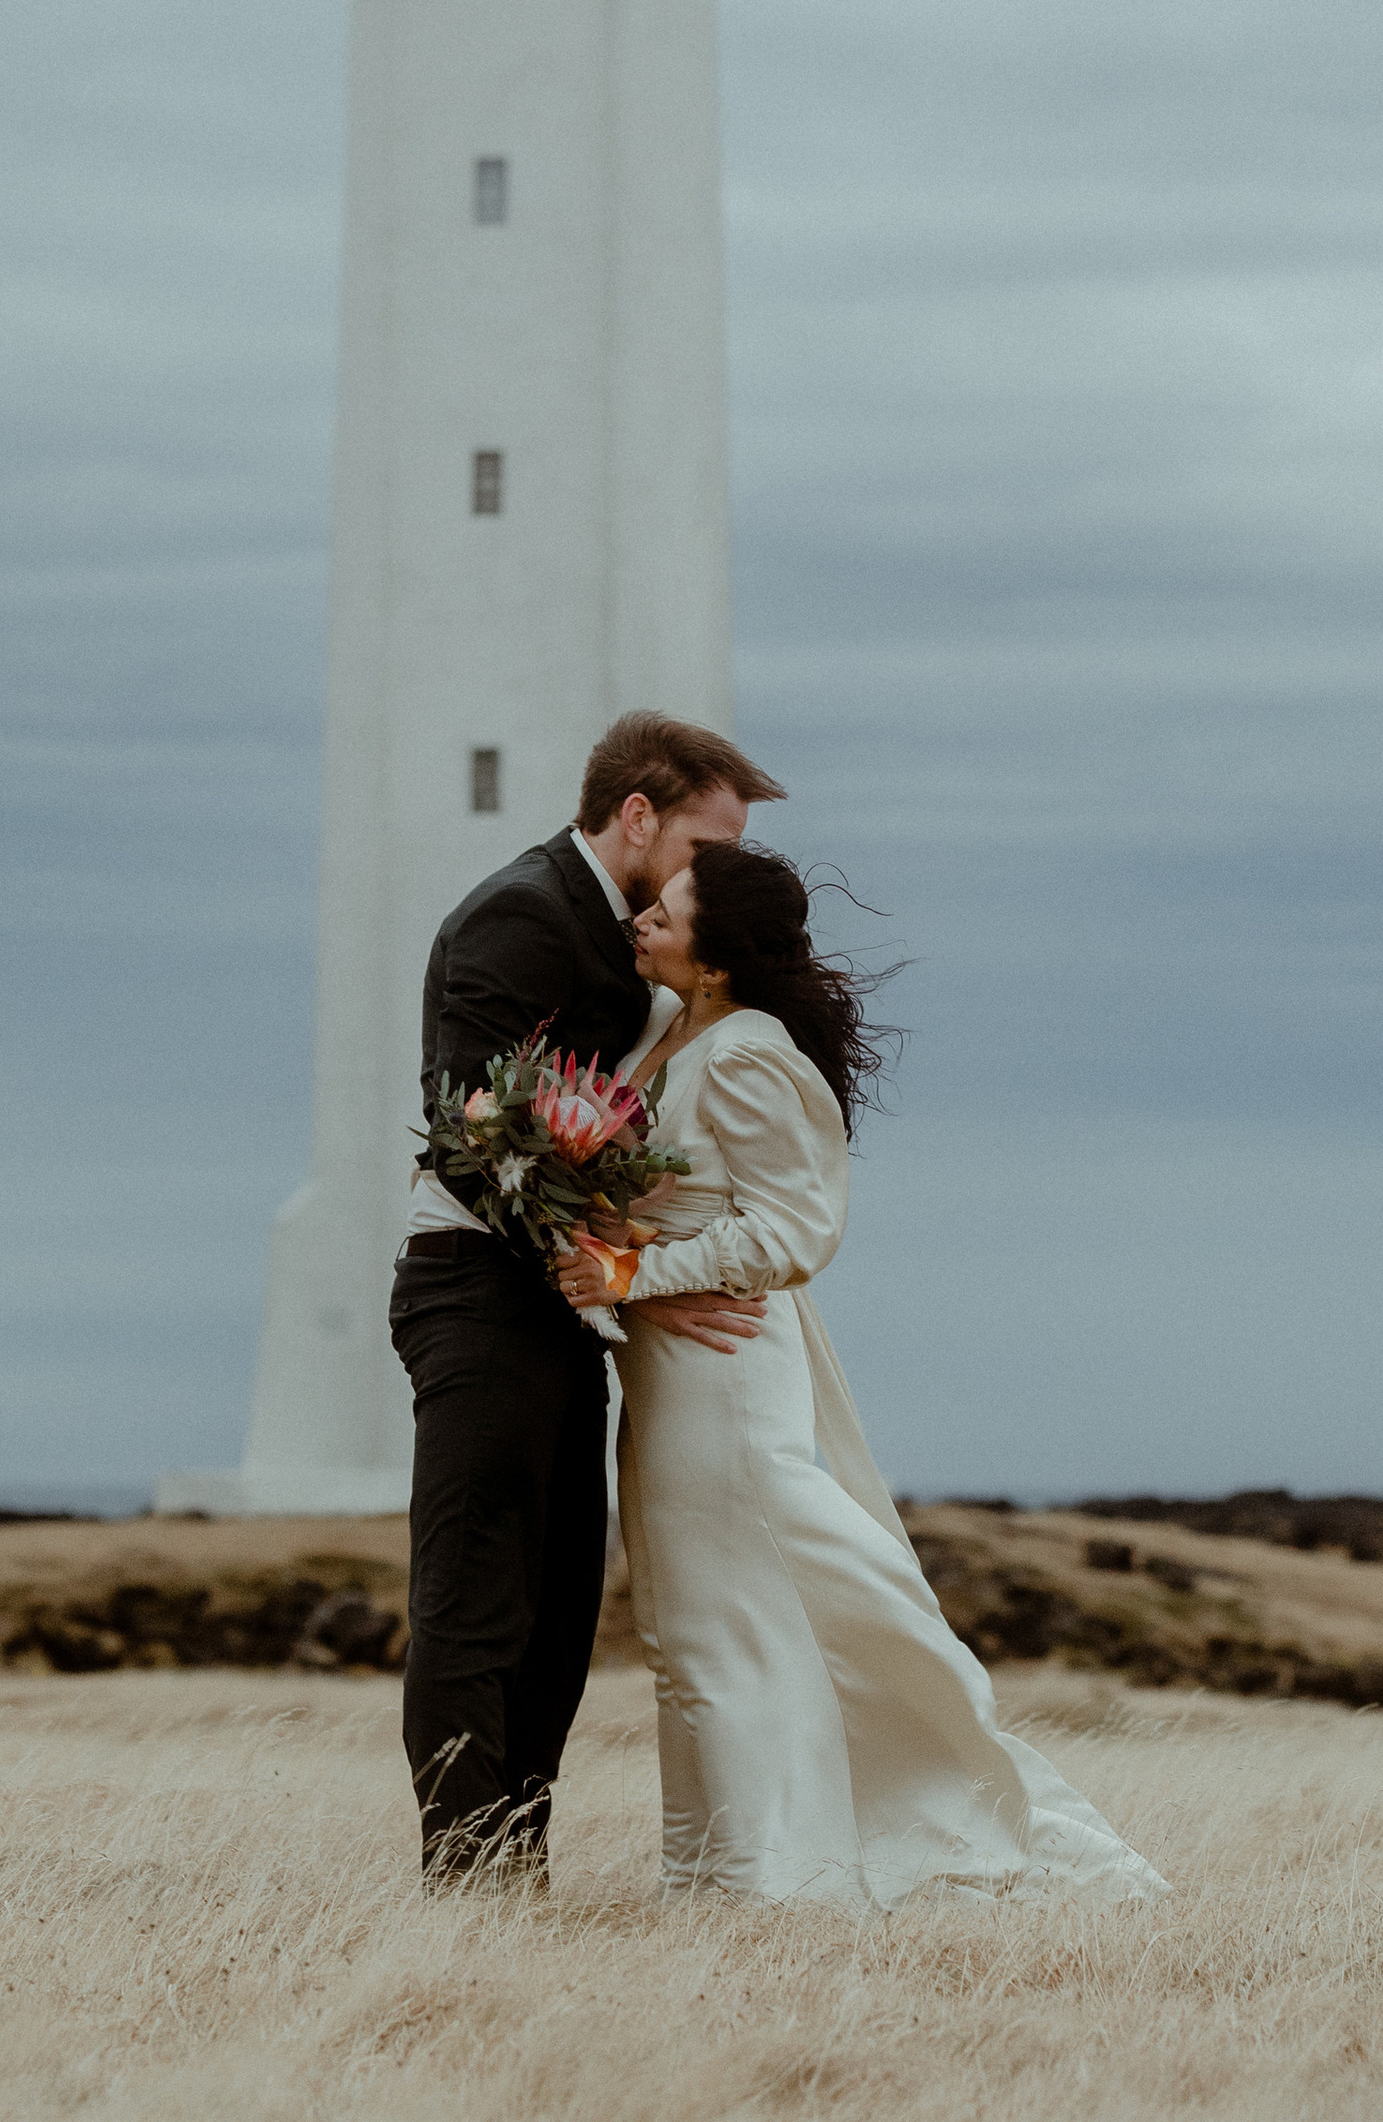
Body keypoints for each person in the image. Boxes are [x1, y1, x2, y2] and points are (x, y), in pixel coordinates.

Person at [558, 840, 1167, 1912]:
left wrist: (626, 1272)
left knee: (732, 1624)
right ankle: (709, 1876)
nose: (643, 916)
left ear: (719, 959)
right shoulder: (669, 1038)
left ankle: (774, 1887)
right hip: (670, 1370)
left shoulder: (745, 1054)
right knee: (688, 1626)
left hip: (727, 1376)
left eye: (670, 910)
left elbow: (794, 1231)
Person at [391, 712, 788, 1887]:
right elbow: (474, 1133)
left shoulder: (633, 936)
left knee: (559, 1610)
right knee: (475, 1601)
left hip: (560, 1304)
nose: (718, 872)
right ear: (636, 818)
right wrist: (629, 1279)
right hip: (476, 1287)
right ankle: (465, 1887)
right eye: (706, 845)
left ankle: (518, 1867)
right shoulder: (520, 914)